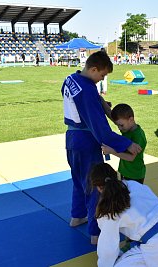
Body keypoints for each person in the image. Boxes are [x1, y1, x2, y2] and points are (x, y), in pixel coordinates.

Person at [61, 50, 142, 244]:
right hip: (86, 140)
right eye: (102, 75)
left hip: (71, 139)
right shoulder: (88, 91)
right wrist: (127, 144)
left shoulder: (71, 79)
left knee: (79, 181)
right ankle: (96, 233)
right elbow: (102, 131)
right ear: (94, 69)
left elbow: (87, 101)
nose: (101, 79)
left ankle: (76, 216)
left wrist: (103, 105)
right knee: (96, 185)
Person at [91, 163, 158, 267]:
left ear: (98, 187)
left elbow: (108, 247)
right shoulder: (134, 185)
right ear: (115, 175)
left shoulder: (107, 209)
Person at [101, 103, 147, 184]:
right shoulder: (126, 128)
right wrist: (100, 100)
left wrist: (111, 151)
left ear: (131, 119)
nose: (119, 128)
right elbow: (109, 112)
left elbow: (131, 158)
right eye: (117, 125)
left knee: (132, 196)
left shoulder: (138, 135)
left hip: (134, 175)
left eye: (121, 125)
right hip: (124, 172)